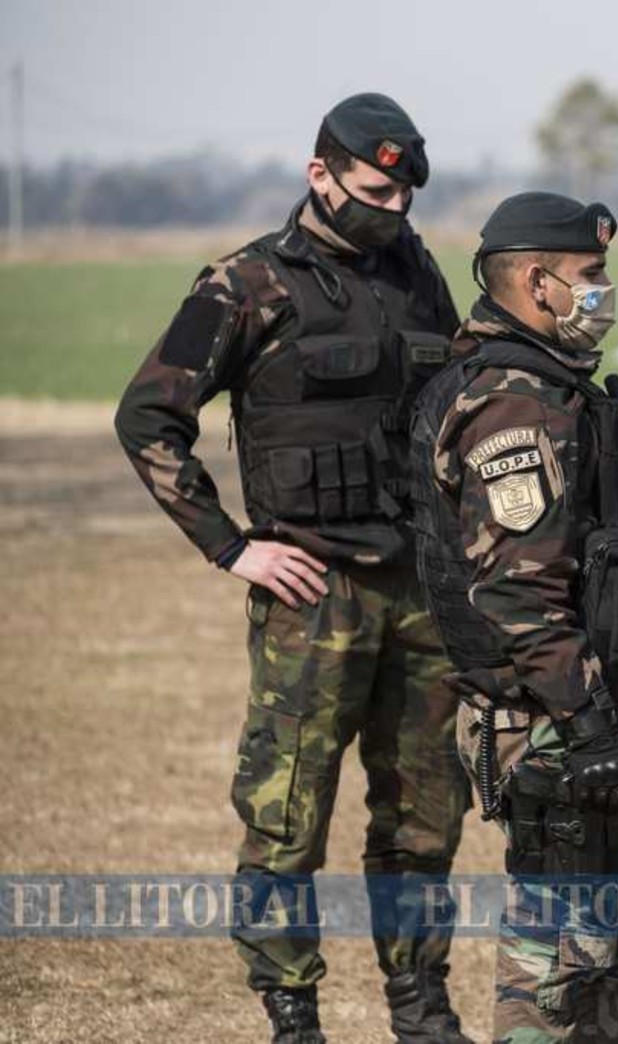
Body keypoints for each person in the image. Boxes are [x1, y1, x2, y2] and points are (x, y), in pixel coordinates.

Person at [114, 93, 471, 1043]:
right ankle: (292, 1014)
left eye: (403, 193)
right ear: (319, 174)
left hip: (422, 593)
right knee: (286, 823)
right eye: (372, 188)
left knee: (424, 821)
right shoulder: (245, 284)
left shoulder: (418, 274)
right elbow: (147, 417)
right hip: (311, 595)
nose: (391, 208)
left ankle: (421, 1005)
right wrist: (230, 546)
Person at [411, 192, 618, 1043]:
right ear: (538, 283)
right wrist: (584, 721)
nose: (604, 291)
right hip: (540, 715)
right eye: (591, 275)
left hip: (567, 707)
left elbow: (560, 530)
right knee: (558, 954)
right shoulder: (512, 402)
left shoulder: (545, 385)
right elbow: (514, 591)